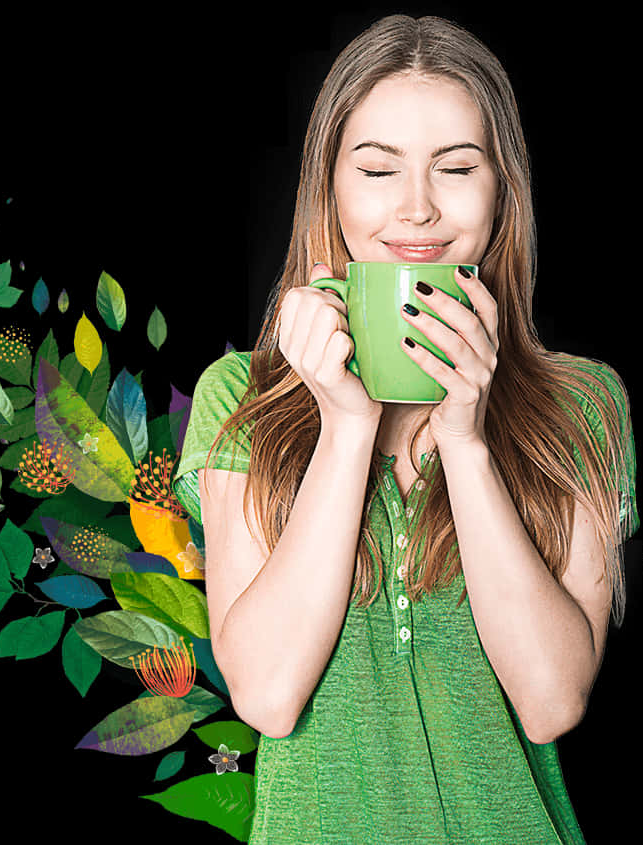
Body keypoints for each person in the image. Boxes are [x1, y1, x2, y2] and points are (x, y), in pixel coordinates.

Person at [172, 14, 638, 844]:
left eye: (456, 167)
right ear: (330, 188)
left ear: (501, 191)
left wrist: (465, 440)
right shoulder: (237, 398)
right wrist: (346, 425)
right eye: (378, 168)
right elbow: (269, 693)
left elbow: (549, 700)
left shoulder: (582, 402)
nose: (415, 208)